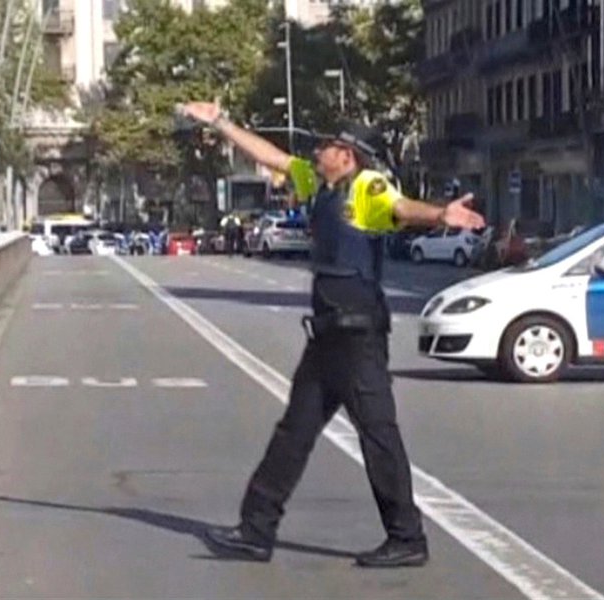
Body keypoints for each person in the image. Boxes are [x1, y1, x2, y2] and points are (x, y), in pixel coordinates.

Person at [179, 101, 485, 568]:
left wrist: (441, 215)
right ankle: (256, 530)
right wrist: (221, 123)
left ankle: (407, 538)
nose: (316, 151)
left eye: (326, 145)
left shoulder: (367, 186)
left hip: (358, 338)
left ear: (347, 155)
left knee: (378, 437)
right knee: (293, 433)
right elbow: (273, 157)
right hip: (326, 338)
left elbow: (401, 208)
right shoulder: (318, 185)